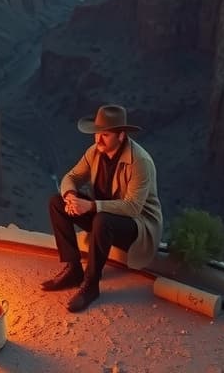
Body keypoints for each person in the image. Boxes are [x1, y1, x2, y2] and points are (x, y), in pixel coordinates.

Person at [41, 104, 163, 312]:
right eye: (97, 134)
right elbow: (72, 177)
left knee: (102, 219)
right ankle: (73, 269)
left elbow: (133, 207)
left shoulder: (140, 162)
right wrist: (70, 197)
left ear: (121, 136)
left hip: (136, 227)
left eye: (105, 135)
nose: (98, 139)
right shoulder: (94, 152)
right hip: (103, 217)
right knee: (57, 202)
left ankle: (91, 285)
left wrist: (91, 206)